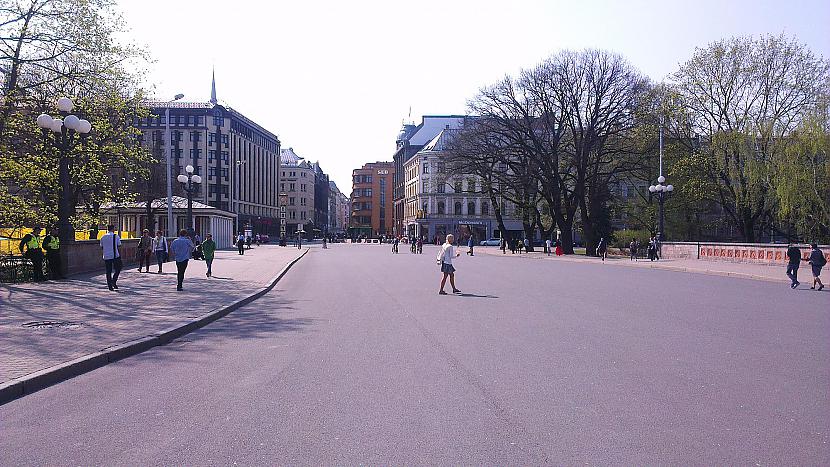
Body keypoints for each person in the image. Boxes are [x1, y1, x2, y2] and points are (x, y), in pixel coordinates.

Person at [100, 225, 122, 291]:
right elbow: (119, 245)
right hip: (115, 256)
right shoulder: (116, 236)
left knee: (108, 271)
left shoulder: (103, 237)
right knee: (118, 269)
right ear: (113, 229)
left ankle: (110, 286)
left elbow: (101, 246)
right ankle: (114, 281)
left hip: (106, 256)